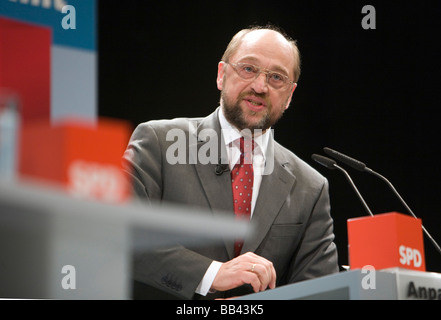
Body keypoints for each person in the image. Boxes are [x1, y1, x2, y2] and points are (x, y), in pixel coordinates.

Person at [122, 25, 339, 300]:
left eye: (276, 78)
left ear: (290, 96)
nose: (260, 87)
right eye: (248, 69)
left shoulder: (310, 187)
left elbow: (321, 292)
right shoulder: (159, 143)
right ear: (221, 74)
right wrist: (211, 274)